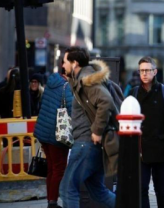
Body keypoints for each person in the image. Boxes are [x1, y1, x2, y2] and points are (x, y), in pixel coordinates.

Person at [59, 47, 116, 208]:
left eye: (65, 62)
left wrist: (97, 131)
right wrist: (70, 78)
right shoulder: (81, 78)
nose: (63, 65)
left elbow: (106, 102)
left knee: (67, 189)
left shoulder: (87, 80)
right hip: (91, 146)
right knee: (98, 191)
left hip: (86, 143)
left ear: (75, 63)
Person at [129, 56, 164, 208]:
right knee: (142, 187)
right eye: (141, 70)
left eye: (147, 70)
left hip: (161, 149)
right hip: (141, 150)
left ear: (155, 71)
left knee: (160, 189)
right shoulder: (134, 93)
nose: (144, 74)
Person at [34, 66, 73, 208]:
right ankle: (53, 202)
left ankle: (51, 200)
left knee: (51, 168)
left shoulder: (50, 83)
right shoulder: (66, 87)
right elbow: (71, 109)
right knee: (59, 169)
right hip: (58, 134)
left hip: (44, 132)